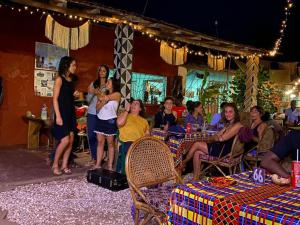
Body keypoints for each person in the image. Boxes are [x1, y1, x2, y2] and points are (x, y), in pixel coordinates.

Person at [182, 103, 243, 180]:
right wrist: (216, 137)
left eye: (230, 112)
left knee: (197, 144)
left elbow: (221, 138)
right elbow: (217, 136)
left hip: (223, 152)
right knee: (197, 153)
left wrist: (217, 137)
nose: (227, 114)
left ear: (235, 113)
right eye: (226, 112)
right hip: (220, 147)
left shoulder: (237, 125)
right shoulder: (229, 124)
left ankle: (184, 162)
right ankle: (195, 178)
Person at [52, 56, 78, 176]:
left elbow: (68, 97)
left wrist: (75, 95)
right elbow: (55, 99)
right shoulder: (59, 79)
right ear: (66, 66)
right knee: (65, 140)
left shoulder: (71, 80)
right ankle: (55, 164)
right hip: (61, 113)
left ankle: (64, 165)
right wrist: (58, 116)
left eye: (75, 65)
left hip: (70, 113)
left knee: (71, 140)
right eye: (73, 65)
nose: (75, 67)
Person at [93, 78, 121, 170]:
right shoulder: (104, 94)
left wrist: (99, 95)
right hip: (100, 119)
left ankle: (109, 166)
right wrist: (102, 99)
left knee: (110, 144)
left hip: (110, 121)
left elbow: (104, 98)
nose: (106, 83)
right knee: (100, 142)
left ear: (113, 84)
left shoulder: (117, 95)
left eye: (108, 82)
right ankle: (98, 164)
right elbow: (97, 108)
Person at [116, 99, 150, 174]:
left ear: (140, 109)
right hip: (126, 143)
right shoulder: (125, 115)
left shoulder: (144, 121)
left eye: (136, 104)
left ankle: (144, 174)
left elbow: (147, 135)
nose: (133, 105)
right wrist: (126, 111)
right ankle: (134, 174)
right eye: (132, 103)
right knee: (133, 149)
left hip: (140, 143)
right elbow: (119, 123)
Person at [86, 65, 109, 166]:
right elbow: (87, 100)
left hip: (103, 114)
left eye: (104, 71)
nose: (102, 72)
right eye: (100, 71)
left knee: (100, 138)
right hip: (91, 112)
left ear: (107, 73)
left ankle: (98, 158)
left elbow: (110, 99)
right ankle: (94, 157)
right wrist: (93, 93)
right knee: (91, 136)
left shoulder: (109, 84)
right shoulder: (93, 84)